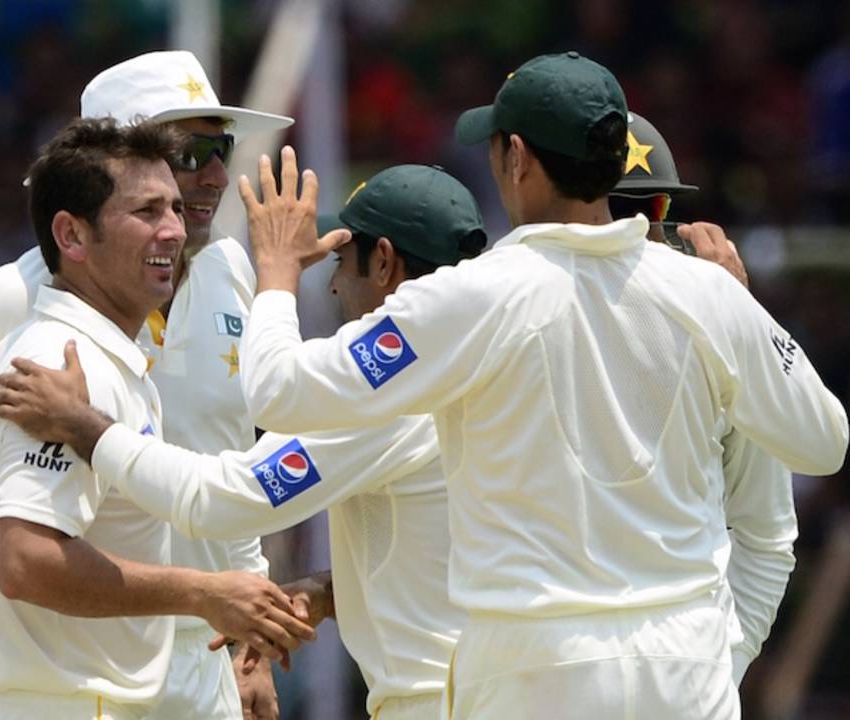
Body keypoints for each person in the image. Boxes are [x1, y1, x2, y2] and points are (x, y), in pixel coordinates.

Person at [233, 52, 847, 719]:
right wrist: (742, 316)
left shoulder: (468, 295)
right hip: (683, 670)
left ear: (516, 156)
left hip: (532, 674)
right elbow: (826, 444)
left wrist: (274, 273)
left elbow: (278, 391)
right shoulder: (709, 295)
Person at [0, 50, 294, 720]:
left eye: (224, 148)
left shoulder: (228, 270)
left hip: (204, 651)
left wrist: (250, 646)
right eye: (192, 151)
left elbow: (231, 461)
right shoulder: (9, 300)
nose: (218, 175)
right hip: (66, 668)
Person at [0, 164, 484, 720]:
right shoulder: (486, 363)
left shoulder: (388, 398)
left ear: (386, 263)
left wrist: (86, 426)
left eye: (341, 261)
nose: (335, 283)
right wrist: (327, 591)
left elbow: (222, 498)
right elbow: (453, 553)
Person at [610, 111, 797, 686]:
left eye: (636, 213)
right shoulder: (523, 314)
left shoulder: (718, 333)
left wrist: (720, 668)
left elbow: (768, 534)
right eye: (612, 210)